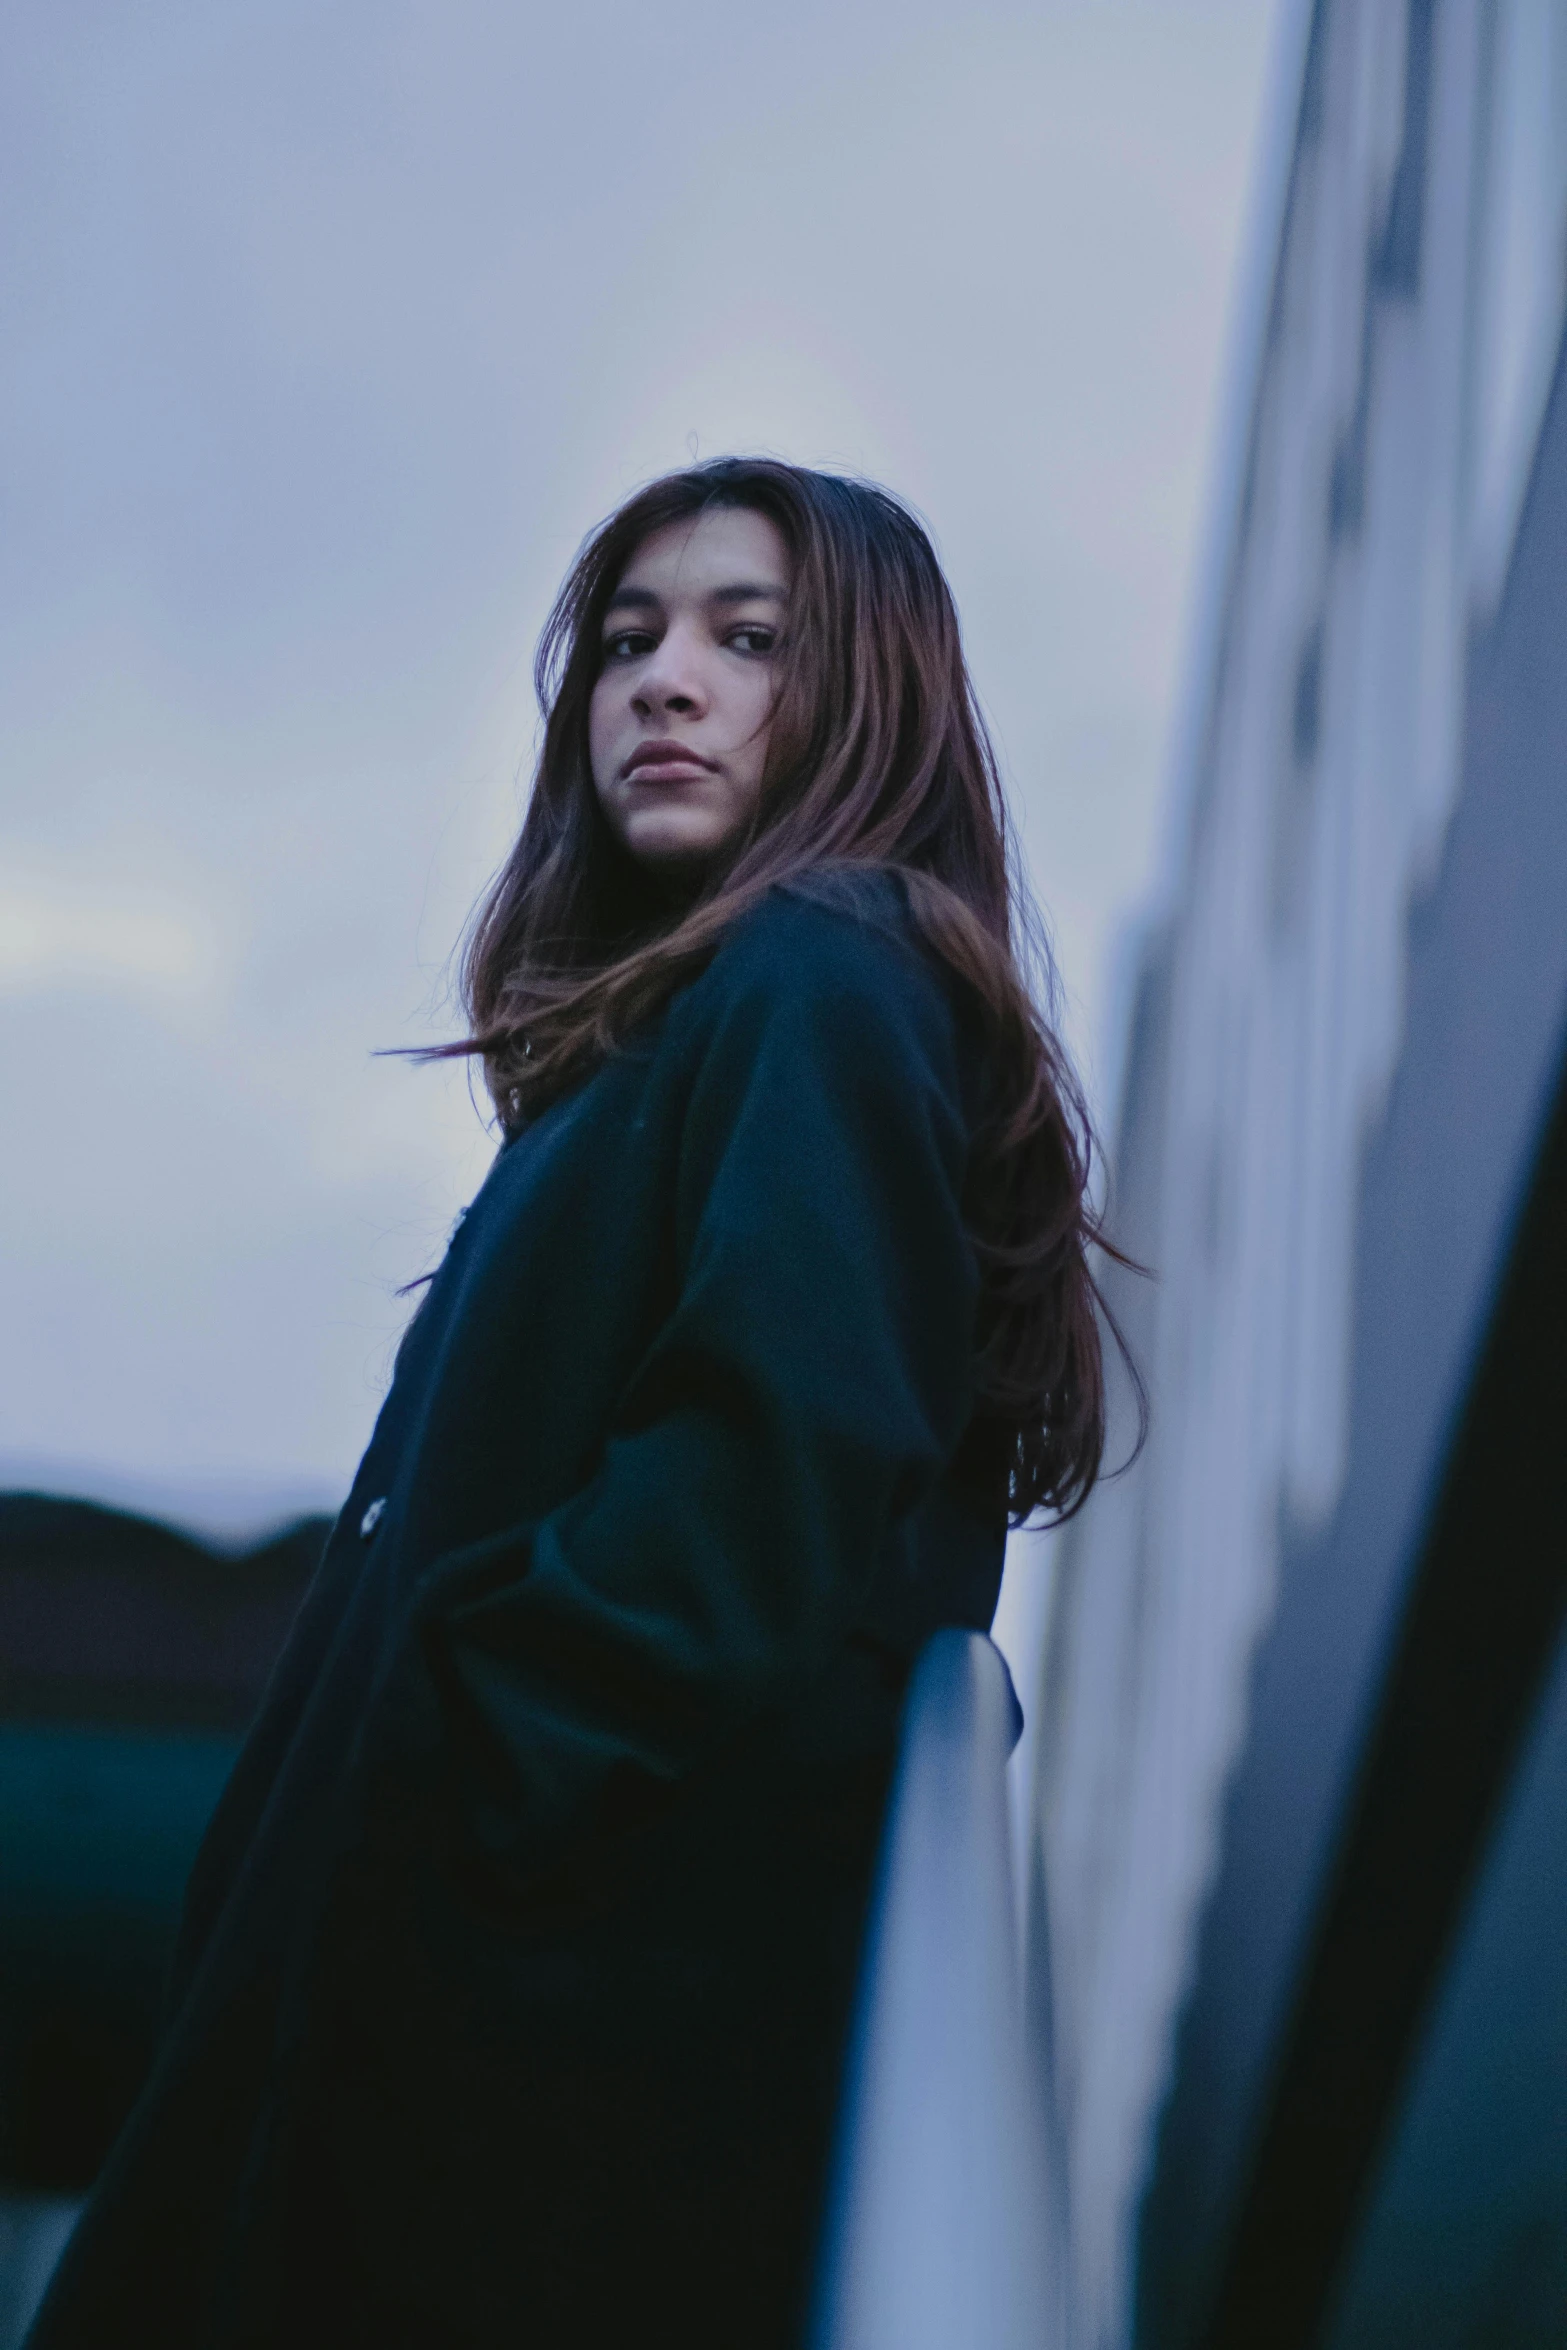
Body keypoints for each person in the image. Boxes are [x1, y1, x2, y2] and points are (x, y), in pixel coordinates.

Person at [25, 458, 1115, 2349]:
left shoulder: (822, 964)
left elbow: (773, 1467)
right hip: (466, 2024)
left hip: (518, 2050)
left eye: (743, 637)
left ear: (868, 691)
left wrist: (454, 1753)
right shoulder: (679, 1038)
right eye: (626, 640)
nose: (660, 681)